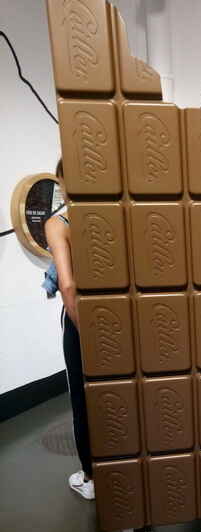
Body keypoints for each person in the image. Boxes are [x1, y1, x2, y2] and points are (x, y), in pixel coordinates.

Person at [42, 160, 94, 500]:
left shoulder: (58, 224)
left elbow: (68, 285)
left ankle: (91, 478)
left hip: (81, 322)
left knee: (83, 399)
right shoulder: (112, 218)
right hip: (119, 318)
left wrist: (89, 338)